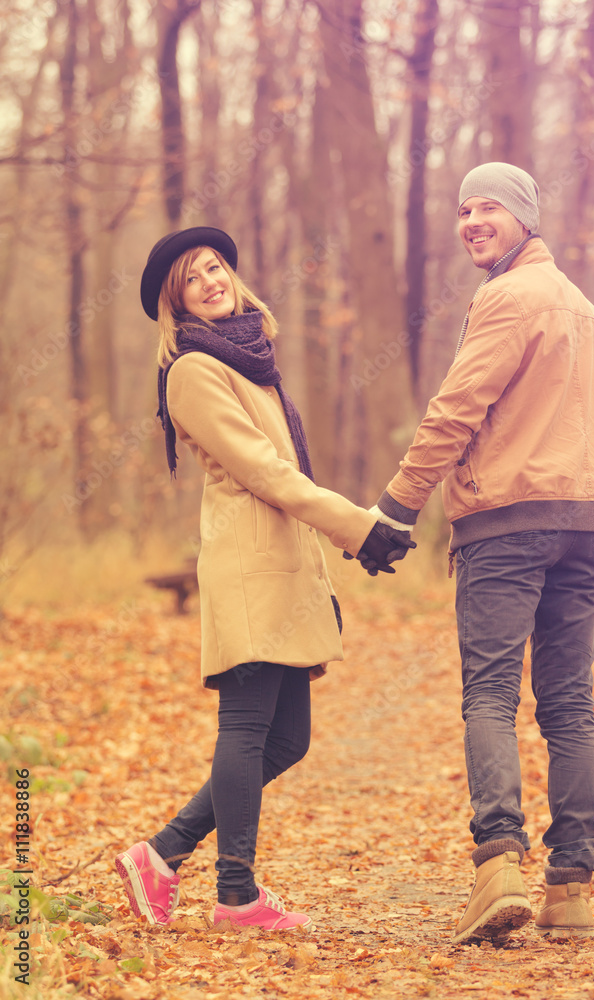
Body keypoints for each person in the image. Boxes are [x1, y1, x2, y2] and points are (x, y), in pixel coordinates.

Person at [115, 226, 414, 932]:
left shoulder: (250, 364)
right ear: (175, 302)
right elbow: (263, 472)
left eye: (216, 267)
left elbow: (284, 474)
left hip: (283, 563)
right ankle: (235, 896)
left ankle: (161, 854)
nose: (211, 281)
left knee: (287, 740)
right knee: (247, 729)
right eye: (192, 278)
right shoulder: (192, 370)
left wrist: (340, 540)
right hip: (249, 566)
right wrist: (357, 525)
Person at [368, 163, 594, 943]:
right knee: (567, 700)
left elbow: (456, 408)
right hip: (588, 517)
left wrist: (397, 505)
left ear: (524, 218)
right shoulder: (584, 308)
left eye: (488, 207)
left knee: (489, 693)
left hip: (511, 519)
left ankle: (497, 865)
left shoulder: (508, 297)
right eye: (462, 209)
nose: (471, 220)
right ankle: (571, 889)